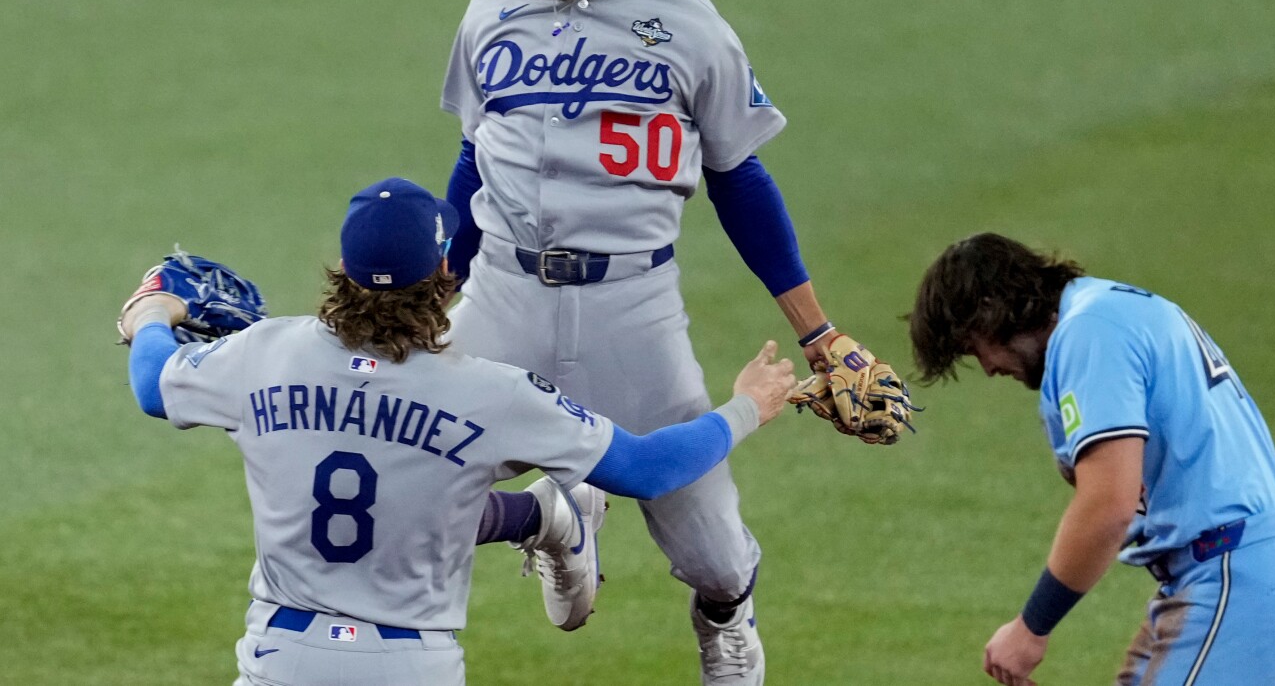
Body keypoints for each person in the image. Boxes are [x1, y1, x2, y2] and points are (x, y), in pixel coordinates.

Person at [436, 0, 895, 682]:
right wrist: (428, 297)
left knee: (713, 555)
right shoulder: (488, 14)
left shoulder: (688, 24)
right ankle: (548, 520)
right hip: (503, 297)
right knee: (407, 483)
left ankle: (726, 617)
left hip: (632, 310)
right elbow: (474, 162)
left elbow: (739, 179)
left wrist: (818, 332)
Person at [117, 176, 795, 686]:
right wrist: (746, 406)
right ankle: (539, 515)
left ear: (344, 271)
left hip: (279, 658)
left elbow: (153, 384)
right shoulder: (492, 394)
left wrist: (151, 309)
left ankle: (538, 517)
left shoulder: (264, 353)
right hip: (412, 666)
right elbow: (646, 470)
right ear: (445, 271)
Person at [909, 233, 1275, 686]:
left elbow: (1109, 504)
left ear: (992, 309)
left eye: (975, 348)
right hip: (1234, 573)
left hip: (1236, 580)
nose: (989, 368)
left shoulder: (1089, 332)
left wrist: (1031, 628)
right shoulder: (1105, 310)